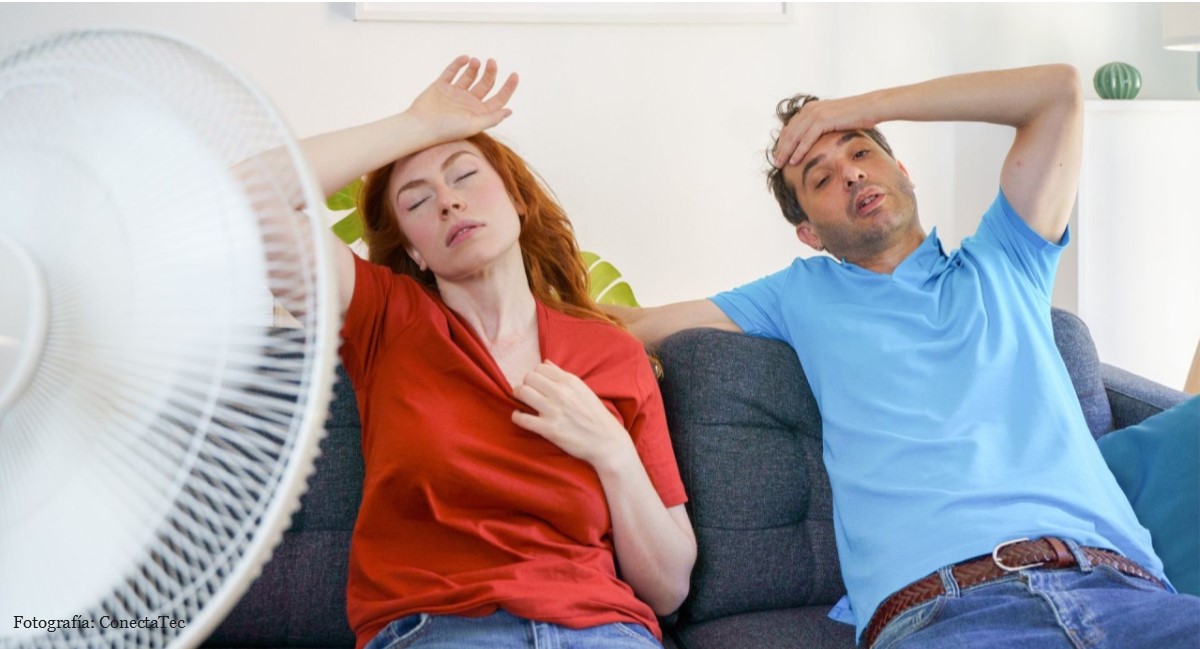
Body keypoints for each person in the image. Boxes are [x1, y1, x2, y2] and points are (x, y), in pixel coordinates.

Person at [609, 65, 1200, 648]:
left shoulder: (1008, 258)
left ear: (903, 172)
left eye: (861, 151)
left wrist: (859, 108)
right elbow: (628, 325)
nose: (851, 174)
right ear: (810, 234)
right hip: (947, 611)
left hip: (1122, 591)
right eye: (821, 178)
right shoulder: (800, 294)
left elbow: (1058, 93)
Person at [299, 56, 696, 649]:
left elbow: (668, 589)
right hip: (440, 631)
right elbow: (248, 200)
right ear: (415, 253)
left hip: (602, 632)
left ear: (516, 199)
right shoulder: (384, 320)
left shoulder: (611, 353)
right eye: (417, 201)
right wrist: (417, 125)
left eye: (463, 175)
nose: (448, 202)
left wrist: (611, 450)